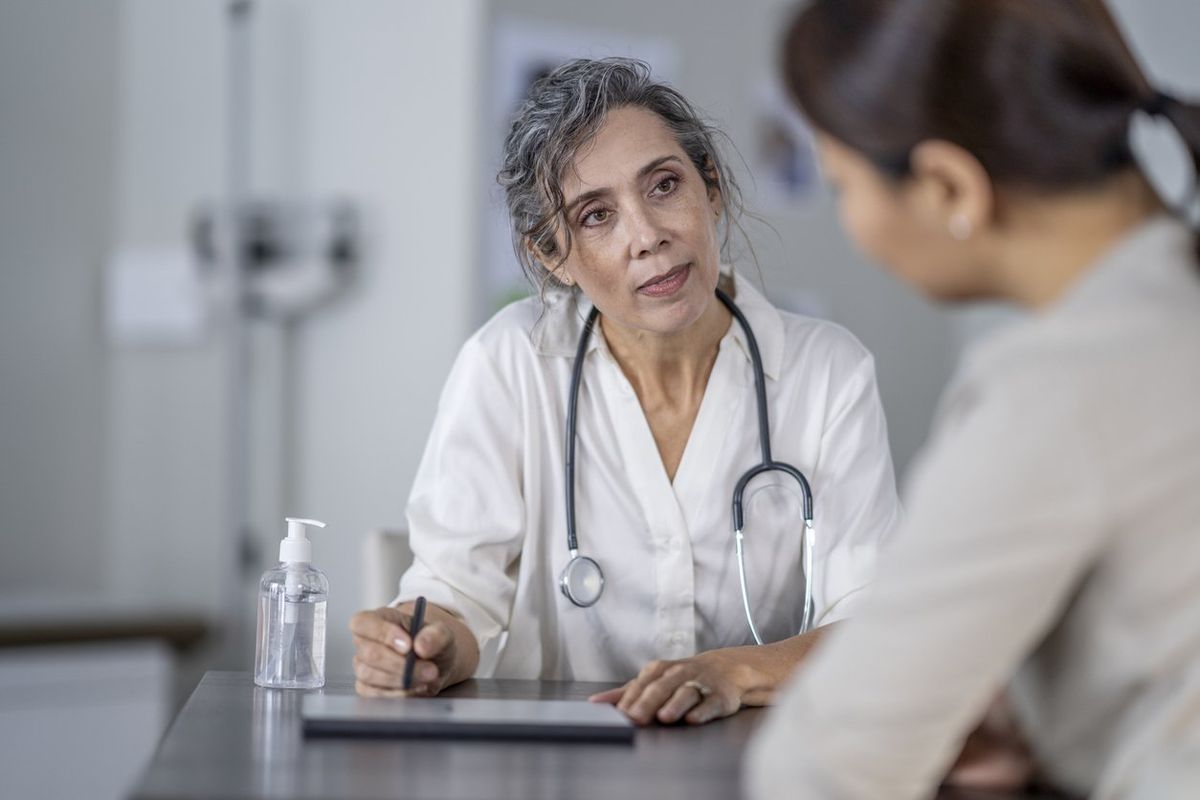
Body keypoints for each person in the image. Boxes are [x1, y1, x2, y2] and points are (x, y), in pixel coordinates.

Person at [350, 57, 902, 727]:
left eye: (665, 185)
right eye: (595, 217)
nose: (648, 236)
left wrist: (729, 670)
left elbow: (873, 626)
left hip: (759, 767)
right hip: (554, 772)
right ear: (553, 255)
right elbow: (457, 599)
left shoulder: (827, 373)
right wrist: (430, 649)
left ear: (712, 187)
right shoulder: (510, 363)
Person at [747, 1, 1200, 797]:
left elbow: (821, 769)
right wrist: (1045, 719)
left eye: (841, 185)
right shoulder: (1162, 315)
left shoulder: (1060, 384)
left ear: (948, 186)